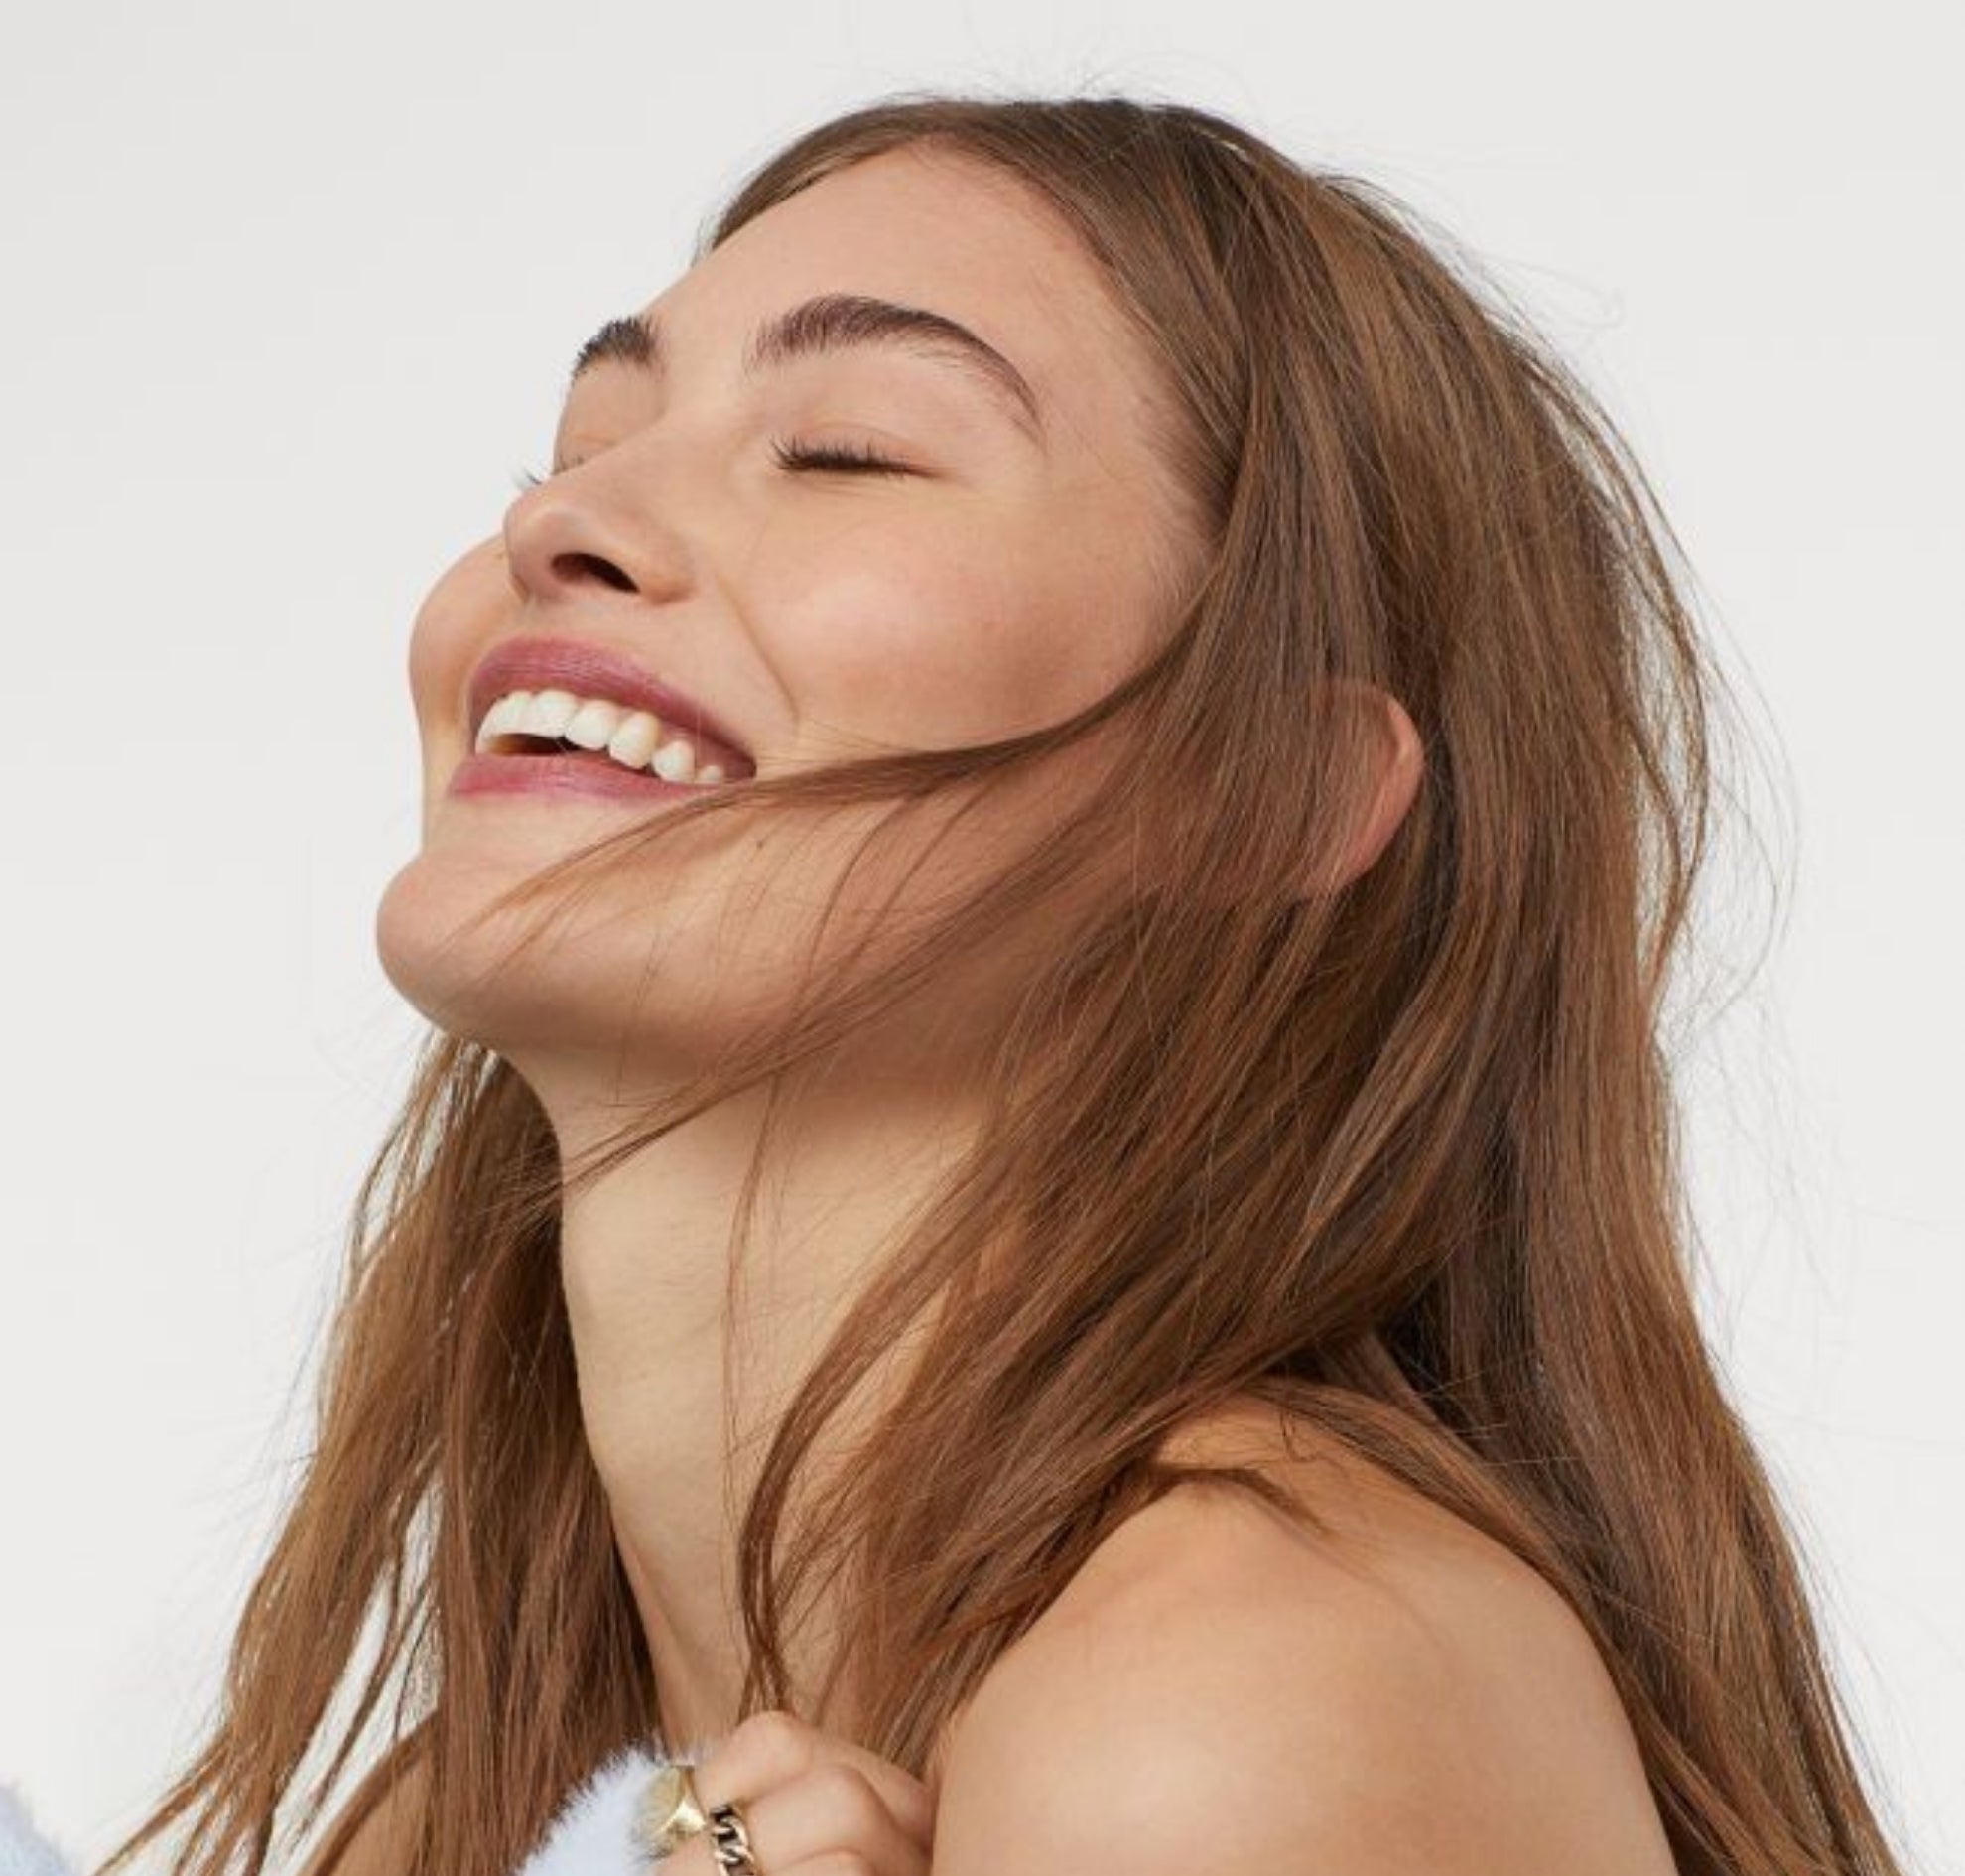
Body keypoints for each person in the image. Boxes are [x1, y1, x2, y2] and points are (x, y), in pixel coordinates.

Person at [90, 91, 1912, 1876]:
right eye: (569, 452)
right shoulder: (491, 1814)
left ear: (1255, 793)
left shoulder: (1230, 1706)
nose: (558, 528)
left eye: (847, 452)